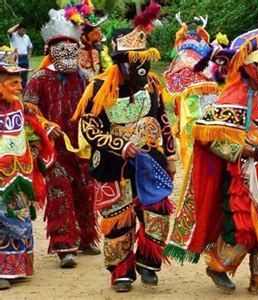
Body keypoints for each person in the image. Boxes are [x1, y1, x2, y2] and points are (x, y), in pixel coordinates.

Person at [165, 19, 258, 295]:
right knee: (245, 226)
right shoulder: (235, 95)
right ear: (252, 70)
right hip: (243, 173)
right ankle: (218, 265)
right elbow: (208, 135)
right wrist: (246, 151)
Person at [72, 2, 176, 293]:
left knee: (156, 211)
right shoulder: (98, 88)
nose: (141, 68)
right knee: (118, 219)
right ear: (121, 63)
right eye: (135, 62)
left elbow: (163, 120)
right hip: (112, 165)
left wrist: (170, 156)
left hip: (150, 159)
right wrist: (118, 145)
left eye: (145, 61)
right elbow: (89, 126)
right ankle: (121, 272)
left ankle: (148, 262)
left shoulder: (153, 85)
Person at [23, 8, 100, 269]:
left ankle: (88, 237)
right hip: (54, 147)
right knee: (60, 191)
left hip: (81, 145)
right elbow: (29, 110)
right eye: (62, 49)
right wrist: (45, 126)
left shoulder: (83, 77)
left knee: (86, 190)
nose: (68, 53)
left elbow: (93, 107)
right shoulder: (40, 79)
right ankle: (65, 245)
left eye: (72, 48)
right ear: (51, 52)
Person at [0, 46, 54, 290]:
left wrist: (41, 142)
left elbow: (33, 131)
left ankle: (18, 267)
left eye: (20, 82)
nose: (20, 87)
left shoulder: (21, 108)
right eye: (13, 83)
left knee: (20, 216)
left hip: (19, 174)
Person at [163, 13, 220, 170]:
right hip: (205, 91)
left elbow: (173, 55)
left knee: (190, 126)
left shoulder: (182, 51)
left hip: (192, 94)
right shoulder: (205, 52)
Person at [7, 23, 32, 91]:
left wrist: (29, 56)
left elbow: (30, 47)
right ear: (17, 29)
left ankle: (23, 89)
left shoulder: (27, 37)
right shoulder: (13, 36)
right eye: (21, 28)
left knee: (24, 74)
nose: (23, 30)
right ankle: (14, 89)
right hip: (14, 57)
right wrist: (17, 25)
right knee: (14, 74)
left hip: (24, 57)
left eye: (24, 29)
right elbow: (9, 31)